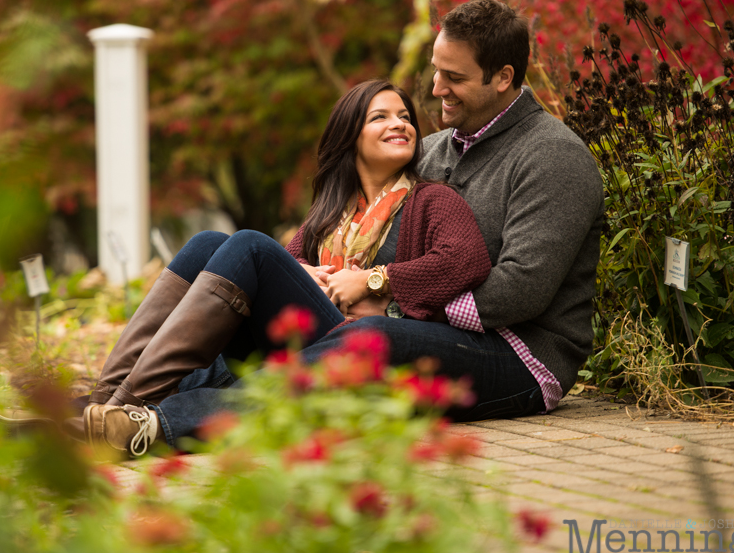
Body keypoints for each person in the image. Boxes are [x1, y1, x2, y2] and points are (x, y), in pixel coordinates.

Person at [81, 79, 492, 457]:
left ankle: (122, 410)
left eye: (405, 117)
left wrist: (373, 279)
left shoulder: (432, 200)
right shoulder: (332, 211)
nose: (399, 124)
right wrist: (306, 272)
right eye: (380, 117)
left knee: (250, 246)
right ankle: (105, 400)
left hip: (352, 344)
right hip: (306, 334)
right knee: (208, 242)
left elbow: (465, 259)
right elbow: (289, 261)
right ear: (350, 136)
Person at [300, 0, 605, 422]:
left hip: (520, 356)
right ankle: (184, 392)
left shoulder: (553, 156)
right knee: (248, 271)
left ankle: (203, 418)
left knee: (368, 335)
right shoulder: (431, 151)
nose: (436, 88)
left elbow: (521, 289)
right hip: (424, 331)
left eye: (454, 77)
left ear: (502, 77)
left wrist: (390, 301)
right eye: (436, 69)